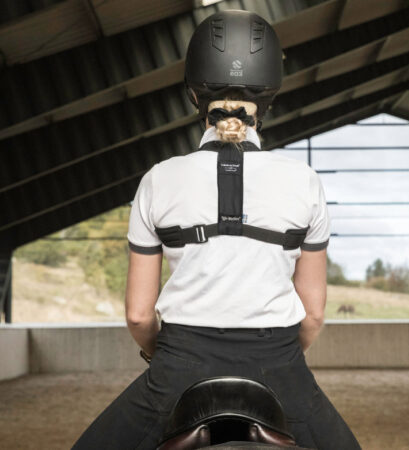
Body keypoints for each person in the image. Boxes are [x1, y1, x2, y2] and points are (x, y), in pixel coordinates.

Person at [72, 10, 361, 450]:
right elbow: (314, 314)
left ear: (194, 95)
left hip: (179, 364)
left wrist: (164, 359)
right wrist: (279, 364)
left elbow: (138, 315)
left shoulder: (158, 179)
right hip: (278, 364)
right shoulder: (304, 181)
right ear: (270, 96)